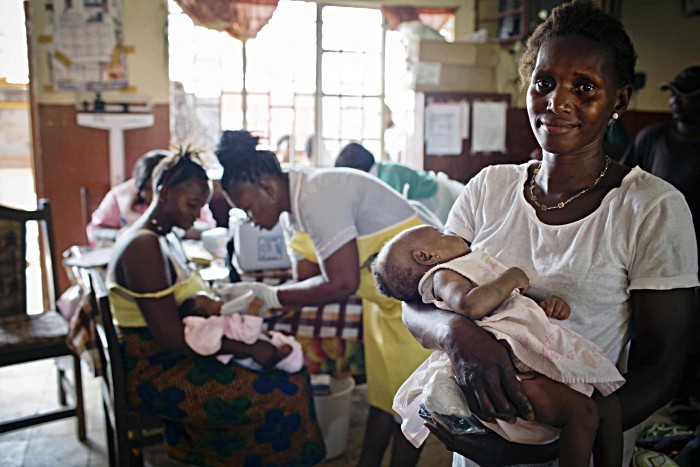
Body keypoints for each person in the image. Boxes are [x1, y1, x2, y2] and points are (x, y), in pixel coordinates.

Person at [401, 2, 698, 466]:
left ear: (618, 100)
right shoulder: (489, 187)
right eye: (544, 83)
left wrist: (553, 443)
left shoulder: (650, 207)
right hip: (482, 445)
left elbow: (663, 367)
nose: (557, 102)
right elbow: (418, 301)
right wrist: (461, 337)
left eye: (584, 87)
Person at [214, 130, 433, 467]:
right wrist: (256, 298)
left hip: (418, 301)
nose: (250, 220)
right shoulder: (295, 210)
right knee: (383, 396)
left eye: (247, 207)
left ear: (267, 189)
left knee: (411, 408)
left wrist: (270, 296)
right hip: (384, 304)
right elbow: (306, 280)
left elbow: (341, 282)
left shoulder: (318, 194)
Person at [105, 148, 325, 466]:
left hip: (179, 352)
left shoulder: (163, 238)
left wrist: (201, 304)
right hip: (158, 370)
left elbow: (176, 309)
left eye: (201, 206)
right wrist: (247, 350)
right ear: (163, 193)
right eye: (192, 205)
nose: (197, 215)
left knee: (284, 371)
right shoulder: (143, 246)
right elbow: (170, 339)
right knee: (285, 389)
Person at [373, 225, 625, 466]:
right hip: (510, 362)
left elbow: (507, 303)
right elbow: (472, 306)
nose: (449, 232)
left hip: (522, 347)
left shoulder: (463, 265)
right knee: (581, 414)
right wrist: (511, 277)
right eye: (441, 233)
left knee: (608, 404)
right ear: (426, 256)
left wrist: (543, 303)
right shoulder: (442, 275)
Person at [621, 65, 700, 431]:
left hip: (695, 254)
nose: (675, 101)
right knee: (646, 327)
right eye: (673, 92)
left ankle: (683, 398)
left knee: (685, 331)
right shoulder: (653, 138)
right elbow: (620, 184)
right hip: (650, 252)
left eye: (686, 95)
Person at [86, 149, 215, 246]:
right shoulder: (120, 196)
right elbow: (95, 230)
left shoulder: (188, 194)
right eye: (149, 189)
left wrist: (176, 229)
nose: (155, 195)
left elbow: (208, 228)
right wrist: (121, 234)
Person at [178, 289, 304, 373]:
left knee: (284, 344)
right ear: (206, 314)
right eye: (213, 302)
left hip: (260, 342)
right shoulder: (215, 327)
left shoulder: (224, 319)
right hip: (255, 357)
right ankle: (286, 360)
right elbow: (249, 337)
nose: (220, 301)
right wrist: (253, 311)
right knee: (290, 359)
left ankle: (289, 354)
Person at [335, 142, 464, 223]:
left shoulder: (389, 175)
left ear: (357, 168)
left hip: (435, 198)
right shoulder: (379, 173)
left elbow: (393, 211)